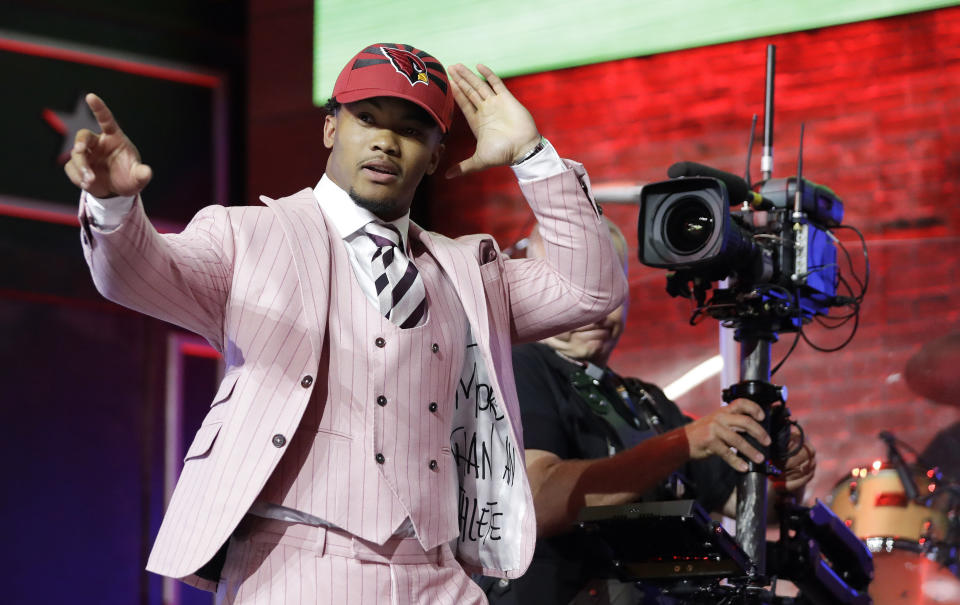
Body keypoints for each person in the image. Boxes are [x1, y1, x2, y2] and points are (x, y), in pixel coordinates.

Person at [64, 43, 627, 605]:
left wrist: (533, 156)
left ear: (434, 155)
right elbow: (139, 275)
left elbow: (591, 289)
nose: (386, 140)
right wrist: (112, 205)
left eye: (412, 129)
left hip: (438, 574)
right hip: (295, 564)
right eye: (366, 118)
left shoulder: (468, 270)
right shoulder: (249, 235)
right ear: (331, 128)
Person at [481, 221, 817, 604]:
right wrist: (681, 444)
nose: (591, 306)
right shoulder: (518, 368)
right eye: (572, 286)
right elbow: (536, 500)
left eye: (604, 287)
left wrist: (786, 475)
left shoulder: (646, 402)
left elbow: (756, 509)